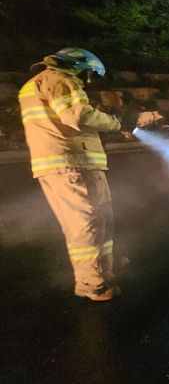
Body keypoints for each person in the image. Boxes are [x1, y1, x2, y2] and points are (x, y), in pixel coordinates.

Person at [18, 48, 122, 301]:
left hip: (60, 164)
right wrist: (115, 122)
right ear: (79, 66)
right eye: (89, 75)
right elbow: (78, 116)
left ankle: (104, 268)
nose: (89, 81)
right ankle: (92, 283)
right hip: (73, 164)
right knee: (85, 222)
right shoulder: (60, 80)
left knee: (97, 217)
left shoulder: (32, 85)